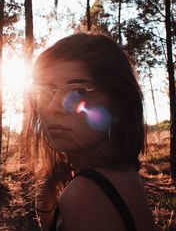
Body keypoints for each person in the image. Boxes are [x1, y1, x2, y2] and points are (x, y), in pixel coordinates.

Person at [24, 33, 155, 231]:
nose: (52, 107)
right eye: (46, 91)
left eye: (77, 91)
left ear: (117, 107)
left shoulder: (86, 193)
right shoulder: (126, 174)